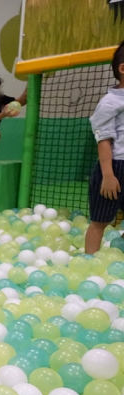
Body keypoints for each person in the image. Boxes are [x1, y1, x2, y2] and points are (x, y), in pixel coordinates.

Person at [85, 40, 124, 254]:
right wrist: (108, 175)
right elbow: (104, 141)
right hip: (115, 167)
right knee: (100, 220)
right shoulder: (110, 103)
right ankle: (89, 259)